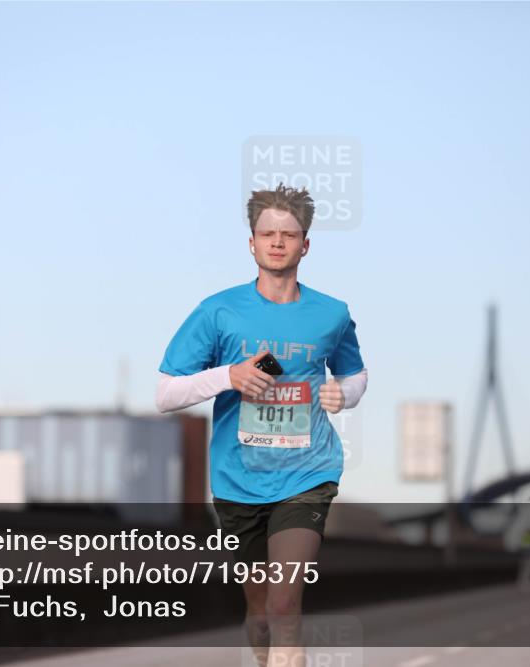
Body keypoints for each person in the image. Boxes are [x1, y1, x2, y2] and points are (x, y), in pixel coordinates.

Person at [155, 183, 368, 667]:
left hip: (307, 474)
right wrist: (228, 376)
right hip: (238, 479)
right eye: (266, 233)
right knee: (259, 609)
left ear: (305, 245)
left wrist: (345, 393)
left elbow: (354, 373)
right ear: (251, 243)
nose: (277, 242)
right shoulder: (218, 311)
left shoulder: (331, 314)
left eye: (288, 235)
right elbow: (165, 393)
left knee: (283, 602)